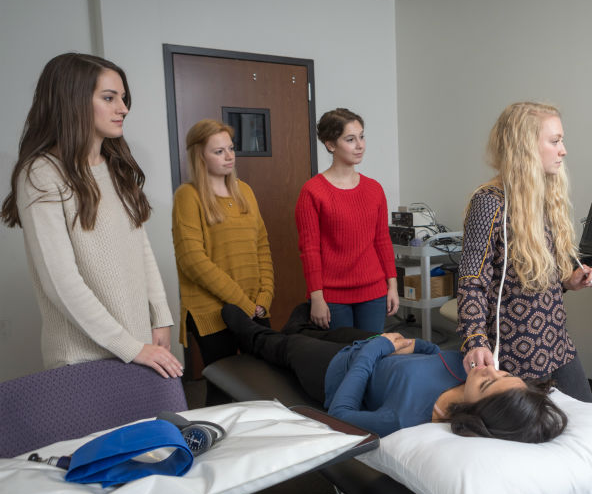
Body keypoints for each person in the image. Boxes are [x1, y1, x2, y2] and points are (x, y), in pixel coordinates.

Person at [1, 53, 182, 378]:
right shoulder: (40, 173)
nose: (123, 108)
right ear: (72, 101)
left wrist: (160, 317)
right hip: (83, 359)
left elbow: (142, 251)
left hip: (138, 348)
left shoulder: (115, 169)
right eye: (109, 98)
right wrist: (131, 347)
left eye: (123, 98)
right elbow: (61, 284)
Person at [221, 303, 567, 442]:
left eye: (492, 382)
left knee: (281, 347)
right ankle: (299, 326)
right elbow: (436, 350)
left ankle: (247, 332)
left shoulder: (405, 418)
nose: (492, 370)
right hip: (380, 347)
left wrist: (375, 350)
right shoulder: (465, 373)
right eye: (505, 373)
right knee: (317, 327)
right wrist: (414, 345)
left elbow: (339, 414)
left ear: (483, 411)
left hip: (335, 370)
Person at [457, 101, 592, 402]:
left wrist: (566, 283)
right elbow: (472, 281)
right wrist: (475, 341)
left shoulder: (544, 198)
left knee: (589, 417)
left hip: (557, 344)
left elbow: (526, 278)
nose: (563, 150)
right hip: (516, 354)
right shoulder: (489, 202)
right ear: (525, 146)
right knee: (537, 439)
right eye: (555, 141)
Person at [172, 119, 274, 366]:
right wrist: (241, 302)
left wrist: (265, 295)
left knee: (264, 382)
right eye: (219, 151)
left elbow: (262, 245)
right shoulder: (188, 196)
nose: (229, 156)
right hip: (212, 311)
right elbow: (193, 261)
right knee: (223, 389)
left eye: (231, 148)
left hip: (255, 308)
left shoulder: (245, 191)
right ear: (200, 156)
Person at [295, 108, 398, 333]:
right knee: (343, 361)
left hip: (374, 292)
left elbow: (382, 240)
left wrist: (392, 285)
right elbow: (309, 250)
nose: (360, 145)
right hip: (332, 297)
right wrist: (317, 298)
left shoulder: (374, 189)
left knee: (372, 357)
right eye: (350, 139)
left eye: (362, 136)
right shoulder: (312, 191)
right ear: (331, 145)